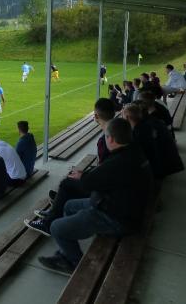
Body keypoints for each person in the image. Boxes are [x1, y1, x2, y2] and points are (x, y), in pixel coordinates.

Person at [37, 118, 153, 275]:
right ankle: (65, 253)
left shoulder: (118, 161)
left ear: (111, 139)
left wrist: (81, 176)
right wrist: (85, 177)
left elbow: (88, 184)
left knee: (56, 227)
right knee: (69, 205)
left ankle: (73, 263)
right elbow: (102, 178)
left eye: (106, 136)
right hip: (122, 206)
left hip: (117, 218)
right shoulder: (134, 150)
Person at [24, 98, 115, 237]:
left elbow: (105, 171)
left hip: (105, 194)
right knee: (71, 180)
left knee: (67, 184)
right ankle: (54, 210)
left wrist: (84, 176)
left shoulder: (107, 139)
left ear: (96, 116)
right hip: (109, 188)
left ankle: (48, 223)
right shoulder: (116, 130)